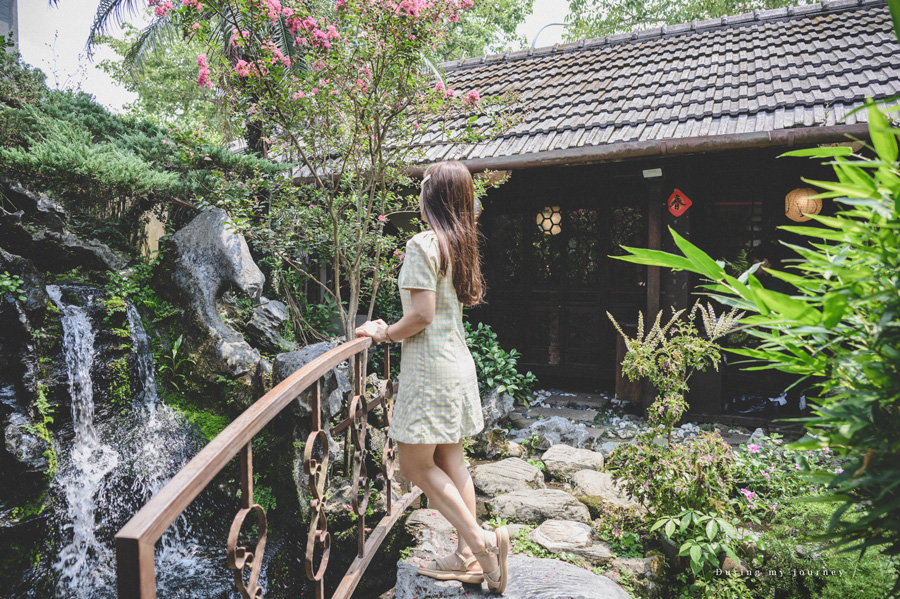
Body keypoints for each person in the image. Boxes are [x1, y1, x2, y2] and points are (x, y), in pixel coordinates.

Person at [355, 160, 509, 594]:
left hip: (430, 370)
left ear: (432, 198)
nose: (419, 195)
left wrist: (384, 332)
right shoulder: (459, 244)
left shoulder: (423, 244)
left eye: (423, 188)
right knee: (451, 459)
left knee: (414, 466)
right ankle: (466, 557)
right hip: (456, 363)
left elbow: (420, 316)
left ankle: (480, 549)